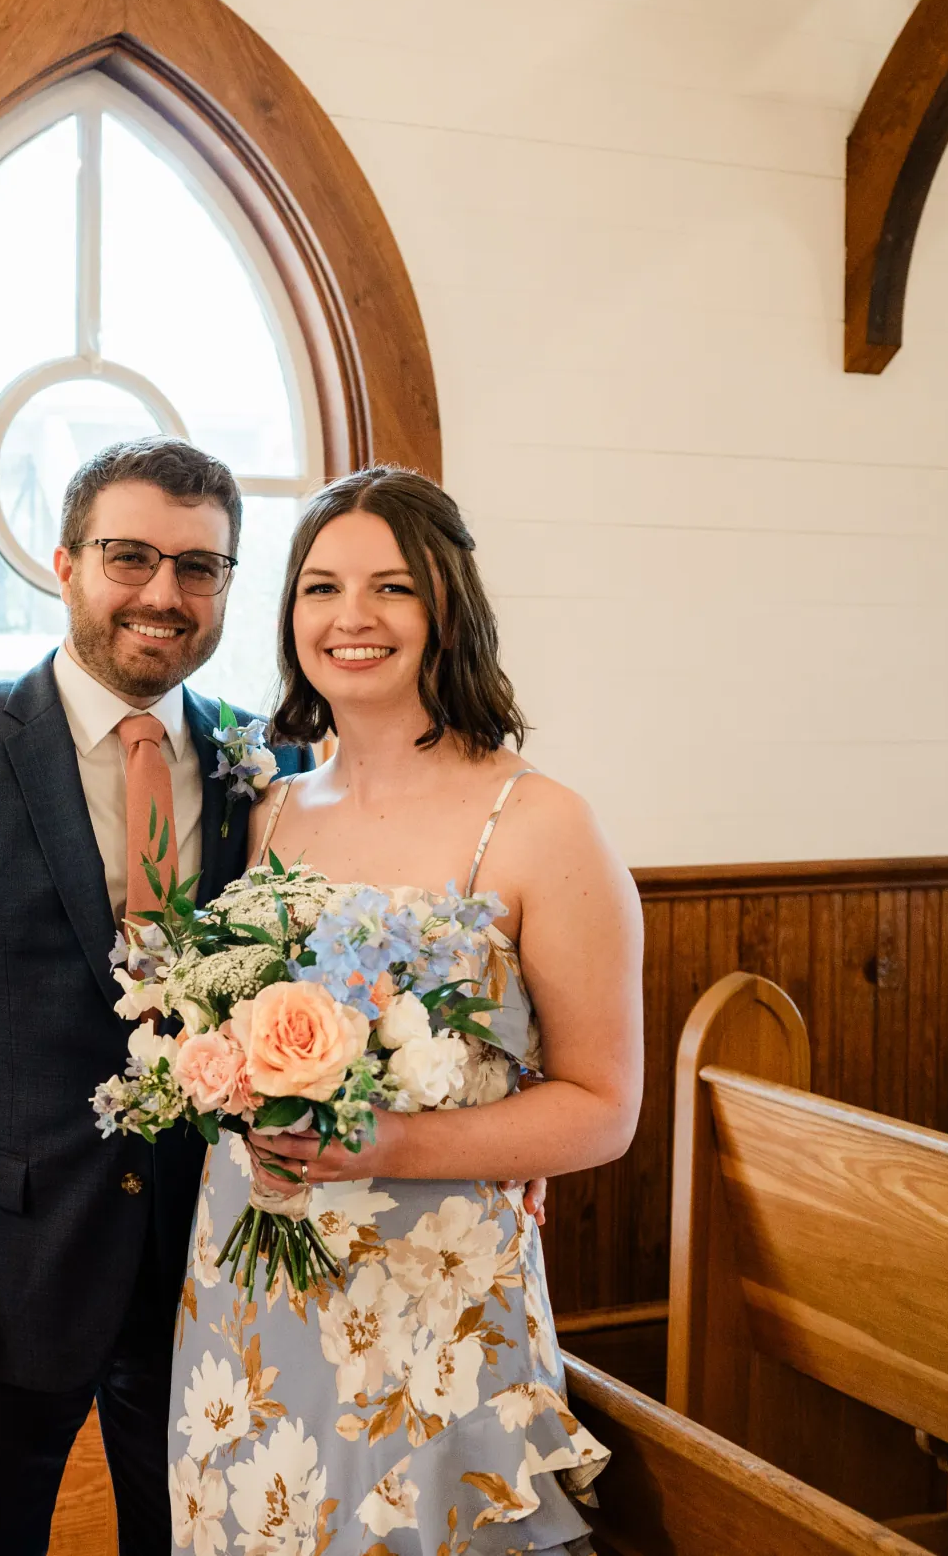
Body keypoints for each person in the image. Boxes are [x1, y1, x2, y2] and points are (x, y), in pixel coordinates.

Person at [0, 438, 309, 1556]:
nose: (162, 593)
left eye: (199, 566)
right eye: (129, 556)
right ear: (65, 564)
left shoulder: (263, 765)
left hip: (205, 1264)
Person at [167, 464, 643, 1556]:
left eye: (392, 587)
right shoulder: (269, 809)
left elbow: (601, 1106)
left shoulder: (541, 825)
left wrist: (392, 1141)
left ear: (448, 610)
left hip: (433, 1302)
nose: (353, 617)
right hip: (253, 1284)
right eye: (321, 587)